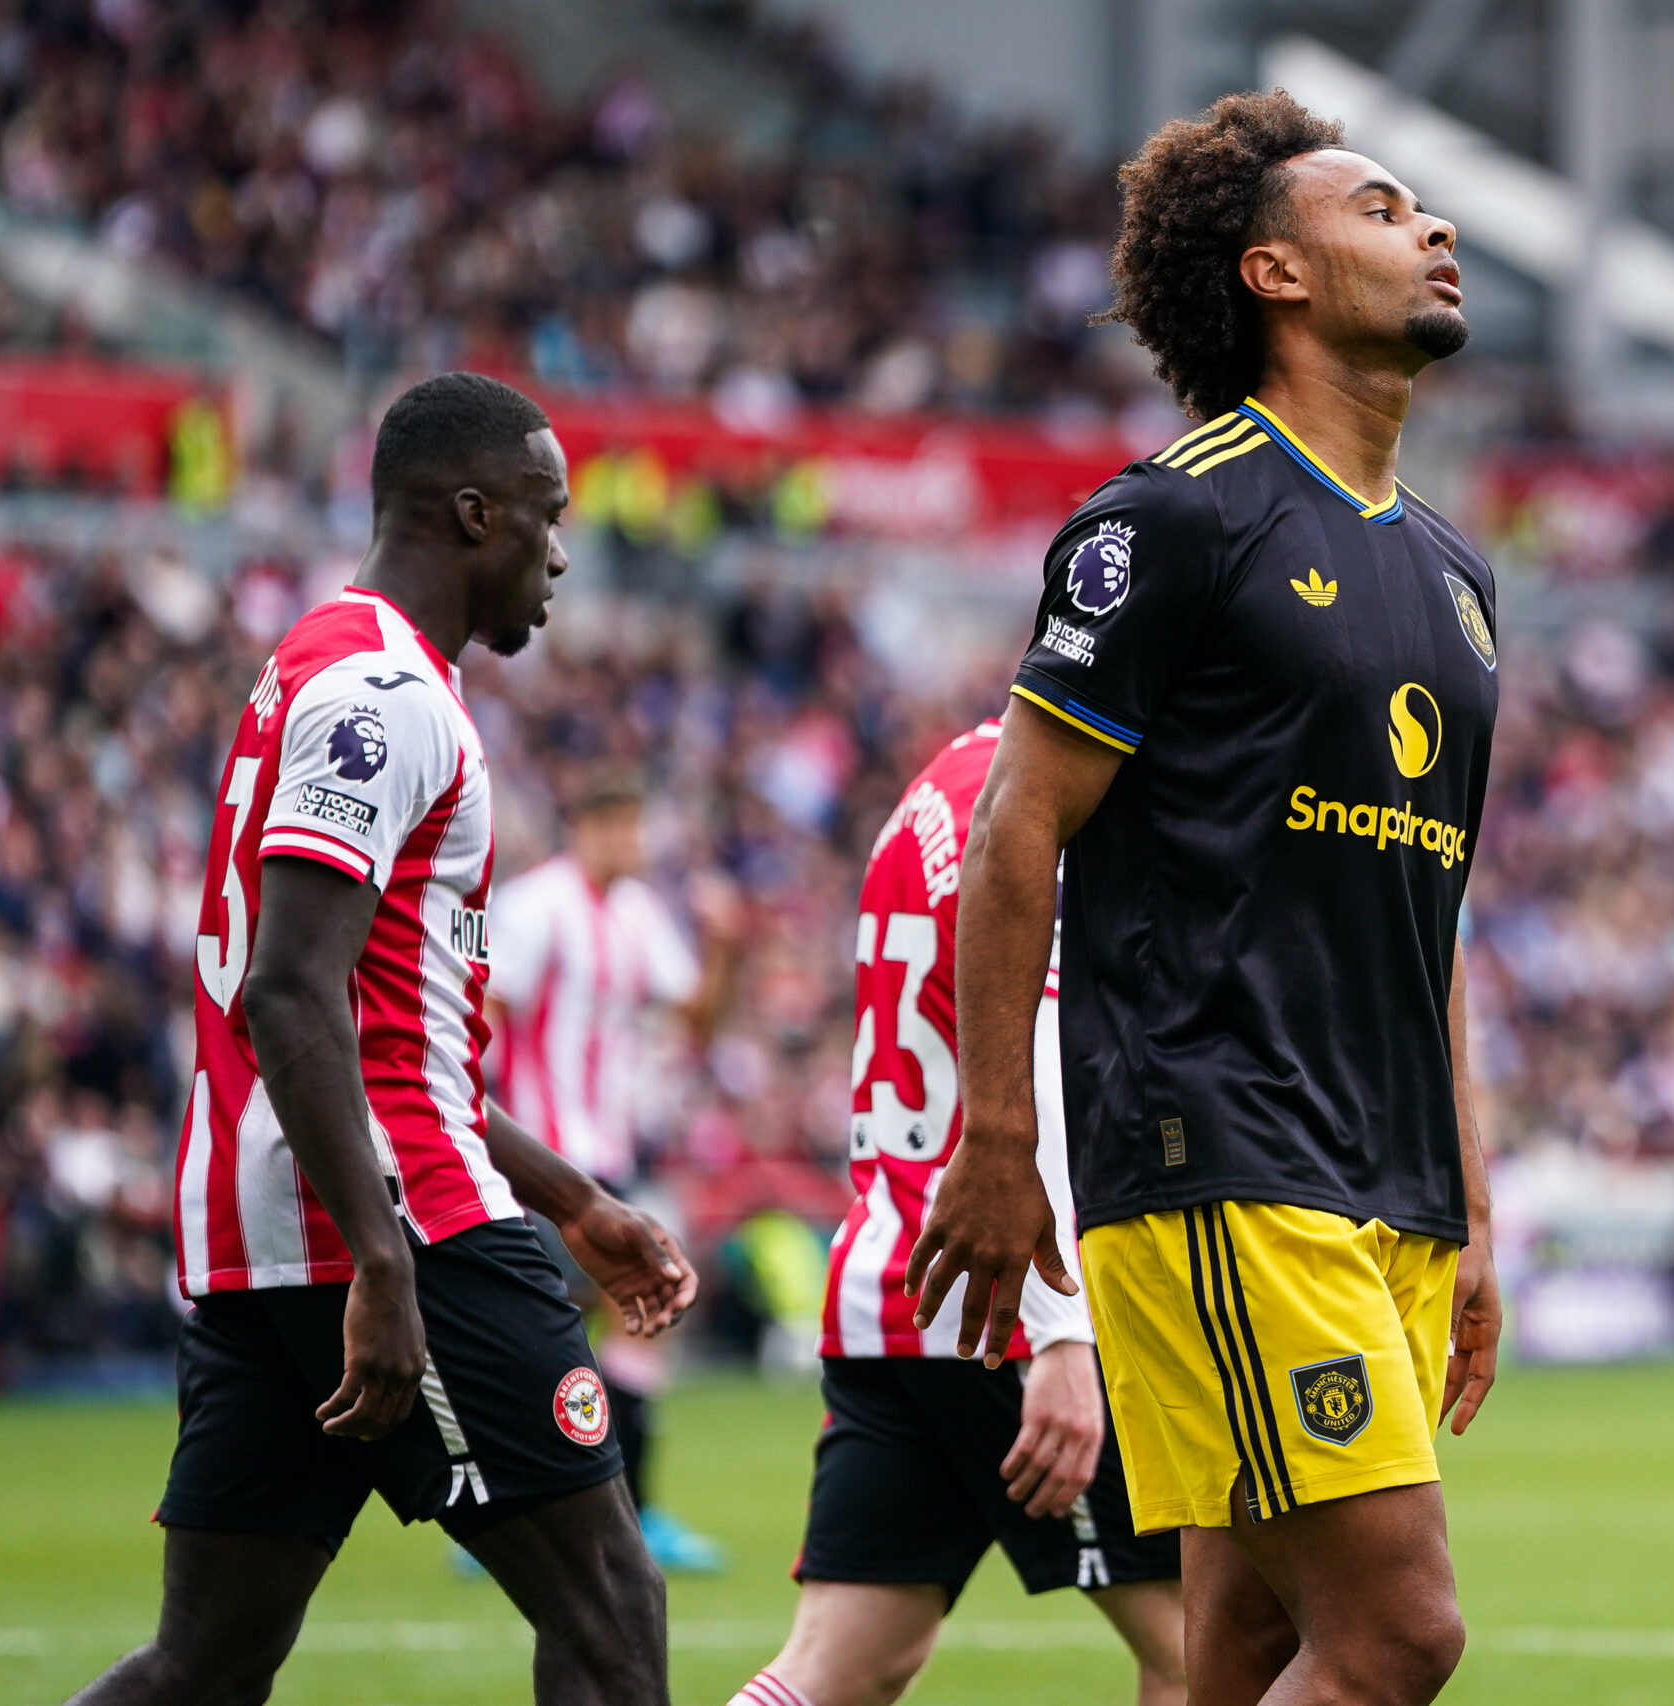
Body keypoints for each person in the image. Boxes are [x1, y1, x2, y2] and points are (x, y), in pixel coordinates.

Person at [905, 93, 1503, 1706]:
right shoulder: (1174, 515)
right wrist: (996, 1135)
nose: (1433, 229)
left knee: (1237, 1648)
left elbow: (1422, 904)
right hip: (1223, 1147)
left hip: (1382, 1175)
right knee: (1394, 1637)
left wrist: (1473, 1204)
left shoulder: (1456, 575)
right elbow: (1018, 827)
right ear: (1274, 274)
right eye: (1382, 209)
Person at [69, 373, 696, 1706]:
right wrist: (384, 1260)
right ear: (475, 514)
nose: (562, 551)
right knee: (611, 1608)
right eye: (547, 514)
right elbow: (289, 993)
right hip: (396, 1226)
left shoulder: (327, 662)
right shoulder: (382, 695)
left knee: (205, 1663)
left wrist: (574, 1197)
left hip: (275, 1234)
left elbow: (396, 1031)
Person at [728, 717, 1184, 1706]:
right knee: (1211, 1649)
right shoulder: (1042, 799)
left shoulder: (933, 791)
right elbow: (1045, 1057)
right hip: (1011, 1297)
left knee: (839, 1667)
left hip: (895, 1283)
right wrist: (1065, 1336)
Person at [487, 774, 741, 1573]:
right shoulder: (535, 908)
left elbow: (694, 1016)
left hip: (612, 1160)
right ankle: (529, 1509)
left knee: (635, 1315)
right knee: (578, 1317)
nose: (628, 843)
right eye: (614, 825)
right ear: (582, 825)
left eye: (635, 826)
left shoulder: (636, 915)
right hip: (539, 1159)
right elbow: (484, 1012)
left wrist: (725, 945)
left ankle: (624, 1504)